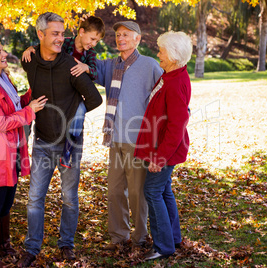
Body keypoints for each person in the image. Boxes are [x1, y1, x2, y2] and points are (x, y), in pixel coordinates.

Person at [17, 12, 103, 267]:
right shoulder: (30, 61)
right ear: (40, 35)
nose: (60, 38)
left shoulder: (72, 66)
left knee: (69, 197)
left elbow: (96, 99)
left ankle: (66, 244)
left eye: (61, 33)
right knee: (34, 198)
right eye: (54, 33)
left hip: (70, 144)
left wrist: (72, 111)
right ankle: (32, 247)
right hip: (43, 141)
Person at [0, 37, 47, 267]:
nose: (5, 55)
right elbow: (0, 122)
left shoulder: (4, 80)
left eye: (3, 50)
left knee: (7, 203)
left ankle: (3, 245)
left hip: (12, 151)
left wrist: (31, 94)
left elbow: (15, 106)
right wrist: (29, 111)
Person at [95, 21, 163, 250]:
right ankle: (118, 237)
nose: (120, 38)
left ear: (137, 39)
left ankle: (140, 238)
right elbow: (81, 58)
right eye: (118, 35)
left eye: (126, 35)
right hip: (114, 138)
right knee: (114, 191)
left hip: (138, 140)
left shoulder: (150, 65)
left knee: (136, 192)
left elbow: (166, 95)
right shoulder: (110, 65)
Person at [134, 31, 192, 260]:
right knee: (164, 190)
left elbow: (177, 124)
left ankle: (163, 246)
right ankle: (173, 238)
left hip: (166, 151)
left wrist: (160, 158)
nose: (158, 54)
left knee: (152, 191)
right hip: (161, 147)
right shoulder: (170, 74)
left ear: (175, 56)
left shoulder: (176, 81)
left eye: (161, 51)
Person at [22, 16, 105, 168]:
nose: (93, 44)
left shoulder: (90, 54)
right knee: (33, 106)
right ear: (81, 32)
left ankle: (67, 151)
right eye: (92, 39)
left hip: (77, 93)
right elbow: (46, 46)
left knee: (78, 115)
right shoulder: (65, 42)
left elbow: (94, 72)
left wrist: (86, 68)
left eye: (96, 41)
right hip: (58, 87)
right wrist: (30, 48)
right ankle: (21, 147)